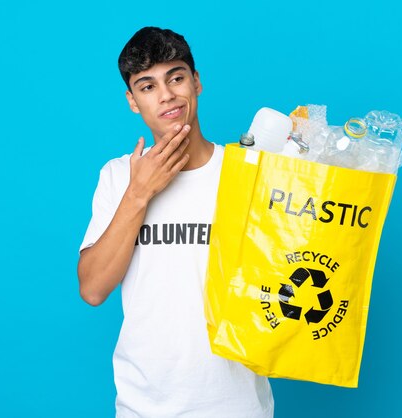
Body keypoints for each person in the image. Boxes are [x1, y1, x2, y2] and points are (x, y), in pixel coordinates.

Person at [77, 27, 274, 417]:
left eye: (176, 77)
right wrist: (140, 192)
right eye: (147, 86)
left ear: (196, 82)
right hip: (144, 407)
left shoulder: (247, 172)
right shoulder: (118, 176)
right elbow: (94, 289)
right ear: (133, 101)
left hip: (238, 405)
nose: (166, 94)